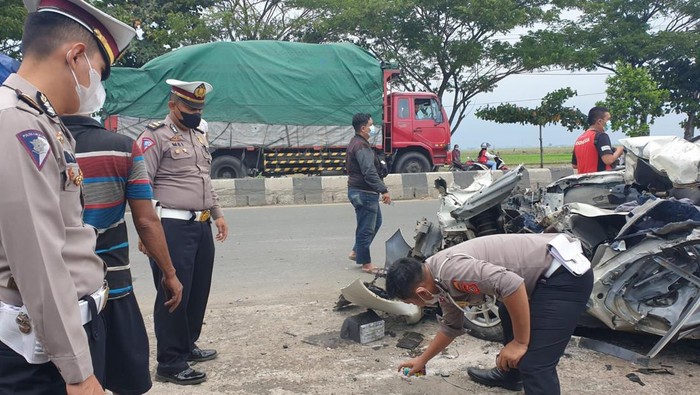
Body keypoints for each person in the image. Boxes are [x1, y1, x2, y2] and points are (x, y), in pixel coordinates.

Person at [0, 1, 135, 394]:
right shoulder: (16, 124)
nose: (98, 86)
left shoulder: (42, 122)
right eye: (100, 72)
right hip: (38, 354)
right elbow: (39, 258)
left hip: (59, 337)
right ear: (76, 56)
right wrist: (77, 370)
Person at [61, 114, 184, 395]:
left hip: (56, 293)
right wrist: (169, 273)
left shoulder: (35, 145)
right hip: (112, 290)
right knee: (122, 378)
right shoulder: (123, 147)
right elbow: (146, 221)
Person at [386, 233, 594, 394]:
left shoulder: (451, 271)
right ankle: (512, 376)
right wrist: (422, 360)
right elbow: (451, 327)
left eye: (411, 301)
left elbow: (512, 285)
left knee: (536, 365)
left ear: (420, 292)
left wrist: (520, 343)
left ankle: (524, 370)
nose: (416, 305)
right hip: (546, 273)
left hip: (565, 275)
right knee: (506, 309)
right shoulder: (435, 278)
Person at [136, 79, 229, 385]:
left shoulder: (199, 135)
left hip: (200, 224)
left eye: (199, 108)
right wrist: (145, 231)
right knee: (173, 293)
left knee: (197, 290)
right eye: (190, 108)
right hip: (171, 227)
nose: (195, 113)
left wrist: (217, 215)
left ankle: (187, 345)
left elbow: (204, 178)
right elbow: (142, 186)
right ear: (172, 105)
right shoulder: (154, 137)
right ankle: (169, 362)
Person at [346, 113, 392, 274]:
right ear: (363, 128)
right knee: (366, 228)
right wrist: (384, 190)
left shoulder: (357, 142)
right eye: (371, 125)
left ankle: (357, 251)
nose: (373, 128)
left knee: (375, 222)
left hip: (360, 191)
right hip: (364, 192)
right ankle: (366, 263)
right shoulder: (361, 146)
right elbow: (369, 172)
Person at [571, 106, 624, 174]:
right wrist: (619, 150)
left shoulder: (579, 139)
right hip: (600, 180)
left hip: (583, 181)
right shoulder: (601, 136)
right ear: (599, 121)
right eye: (608, 119)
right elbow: (608, 160)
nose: (609, 122)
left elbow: (575, 165)